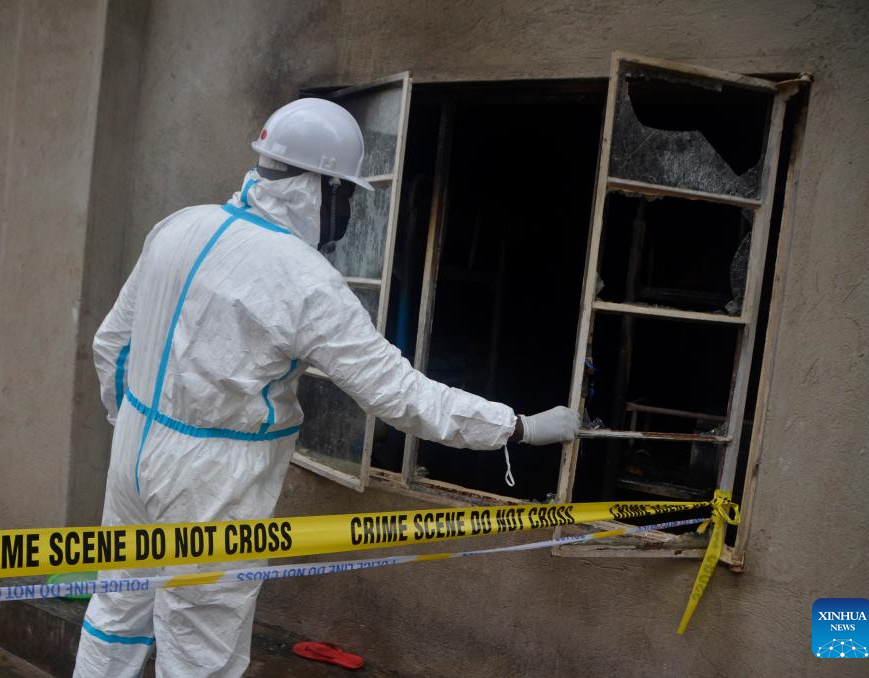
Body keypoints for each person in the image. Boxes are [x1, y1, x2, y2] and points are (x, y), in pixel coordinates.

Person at [73, 98, 580, 677]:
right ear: (322, 187)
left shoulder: (180, 225)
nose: (348, 214)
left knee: (116, 609)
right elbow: (400, 394)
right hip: (212, 485)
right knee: (199, 649)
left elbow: (112, 345)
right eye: (346, 197)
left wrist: (131, 425)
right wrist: (516, 427)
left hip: (133, 451)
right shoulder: (305, 280)